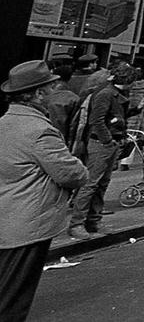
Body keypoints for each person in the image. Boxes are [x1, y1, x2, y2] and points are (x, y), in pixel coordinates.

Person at [0, 61, 90, 321]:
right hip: (27, 223)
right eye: (51, 87)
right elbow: (71, 173)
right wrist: (80, 167)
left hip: (6, 216)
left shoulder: (5, 122)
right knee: (13, 298)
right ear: (38, 94)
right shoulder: (40, 130)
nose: (55, 91)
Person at [68, 66, 132, 239]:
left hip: (109, 141)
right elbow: (96, 119)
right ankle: (77, 223)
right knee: (91, 184)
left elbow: (116, 118)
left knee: (101, 183)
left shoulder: (112, 93)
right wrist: (108, 140)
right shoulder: (106, 94)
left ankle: (93, 221)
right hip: (101, 142)